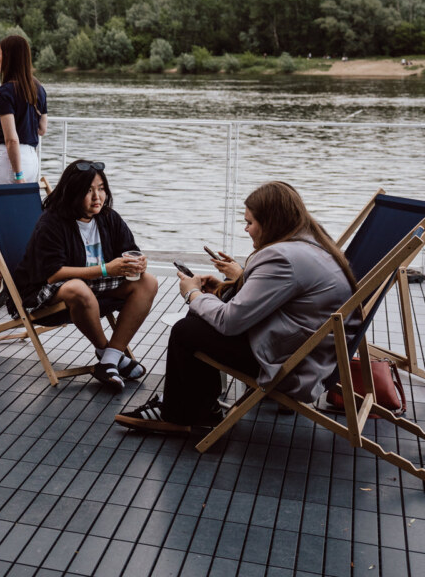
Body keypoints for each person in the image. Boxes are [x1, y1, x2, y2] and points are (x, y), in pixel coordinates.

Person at [115, 182, 357, 434]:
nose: (246, 229)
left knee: (186, 330)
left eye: (250, 222)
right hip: (316, 353)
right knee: (202, 316)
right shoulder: (311, 243)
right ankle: (200, 407)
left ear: (270, 222)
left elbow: (230, 322)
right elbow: (282, 297)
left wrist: (193, 294)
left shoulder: (282, 258)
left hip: (294, 364)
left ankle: (178, 414)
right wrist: (226, 289)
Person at [9, 159, 157, 391]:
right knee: (78, 287)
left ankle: (110, 358)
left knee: (147, 282)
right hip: (45, 293)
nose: (97, 197)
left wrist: (139, 263)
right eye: (88, 191)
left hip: (93, 287)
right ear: (72, 193)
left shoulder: (109, 218)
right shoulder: (52, 223)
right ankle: (107, 353)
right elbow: (52, 274)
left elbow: (129, 251)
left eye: (101, 189)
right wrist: (106, 269)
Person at [0, 34, 47, 184]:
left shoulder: (5, 92)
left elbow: (11, 139)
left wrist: (18, 174)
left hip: (10, 162)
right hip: (31, 159)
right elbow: (42, 129)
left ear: (8, 57)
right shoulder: (39, 89)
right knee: (21, 206)